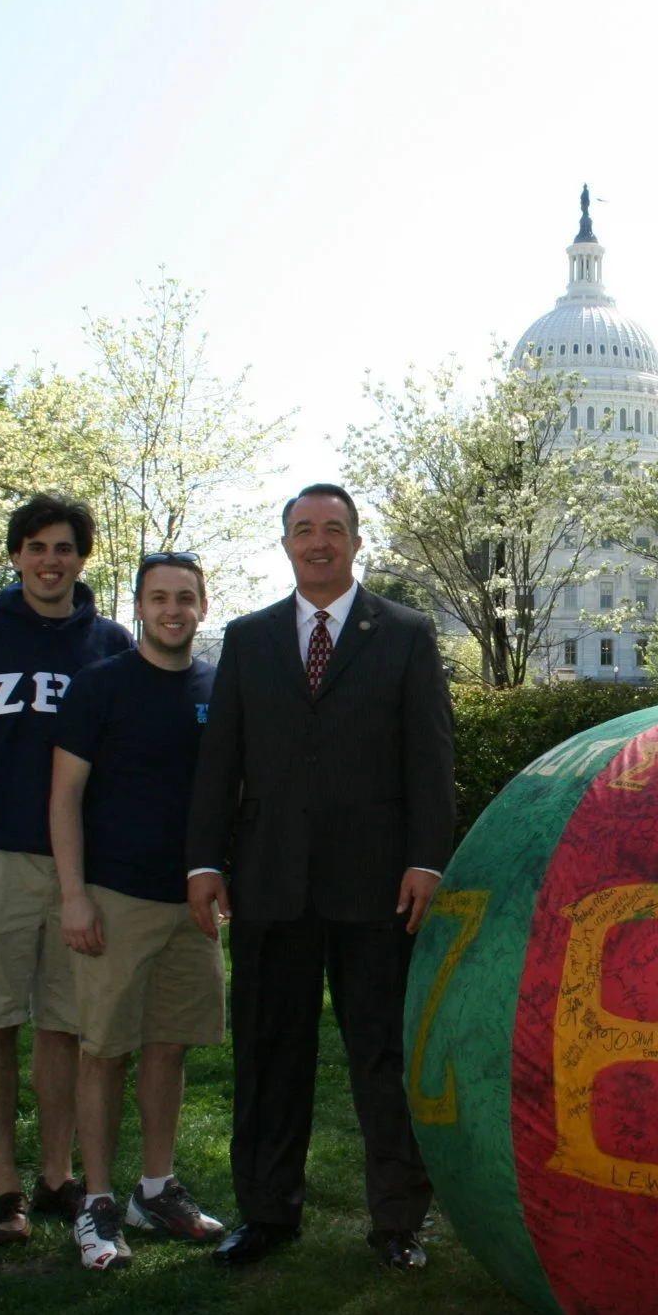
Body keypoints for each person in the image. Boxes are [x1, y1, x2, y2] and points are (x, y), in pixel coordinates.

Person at [186, 483, 455, 1271]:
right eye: (304, 530)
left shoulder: (404, 634)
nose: (318, 542)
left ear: (356, 541)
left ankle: (398, 1223)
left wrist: (426, 858)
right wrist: (205, 861)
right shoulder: (249, 637)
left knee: (382, 1055)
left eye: (333, 529)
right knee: (269, 1058)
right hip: (269, 884)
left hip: (378, 889)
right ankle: (268, 1215)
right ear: (286, 545)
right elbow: (220, 763)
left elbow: (430, 759)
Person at [0, 493, 132, 1243]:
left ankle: (57, 1176)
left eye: (65, 547)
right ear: (16, 556)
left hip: (82, 868)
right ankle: (4, 1187)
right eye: (37, 546)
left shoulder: (110, 644)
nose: (51, 560)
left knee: (66, 1026)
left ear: (82, 557)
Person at [50, 553, 227, 1271]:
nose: (173, 610)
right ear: (140, 606)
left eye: (185, 597)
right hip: (115, 897)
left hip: (190, 903)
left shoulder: (220, 687)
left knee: (169, 1044)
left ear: (203, 606)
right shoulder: (102, 687)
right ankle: (95, 1203)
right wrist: (73, 894)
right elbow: (62, 797)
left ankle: (155, 1188)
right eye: (159, 598)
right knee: (104, 1050)